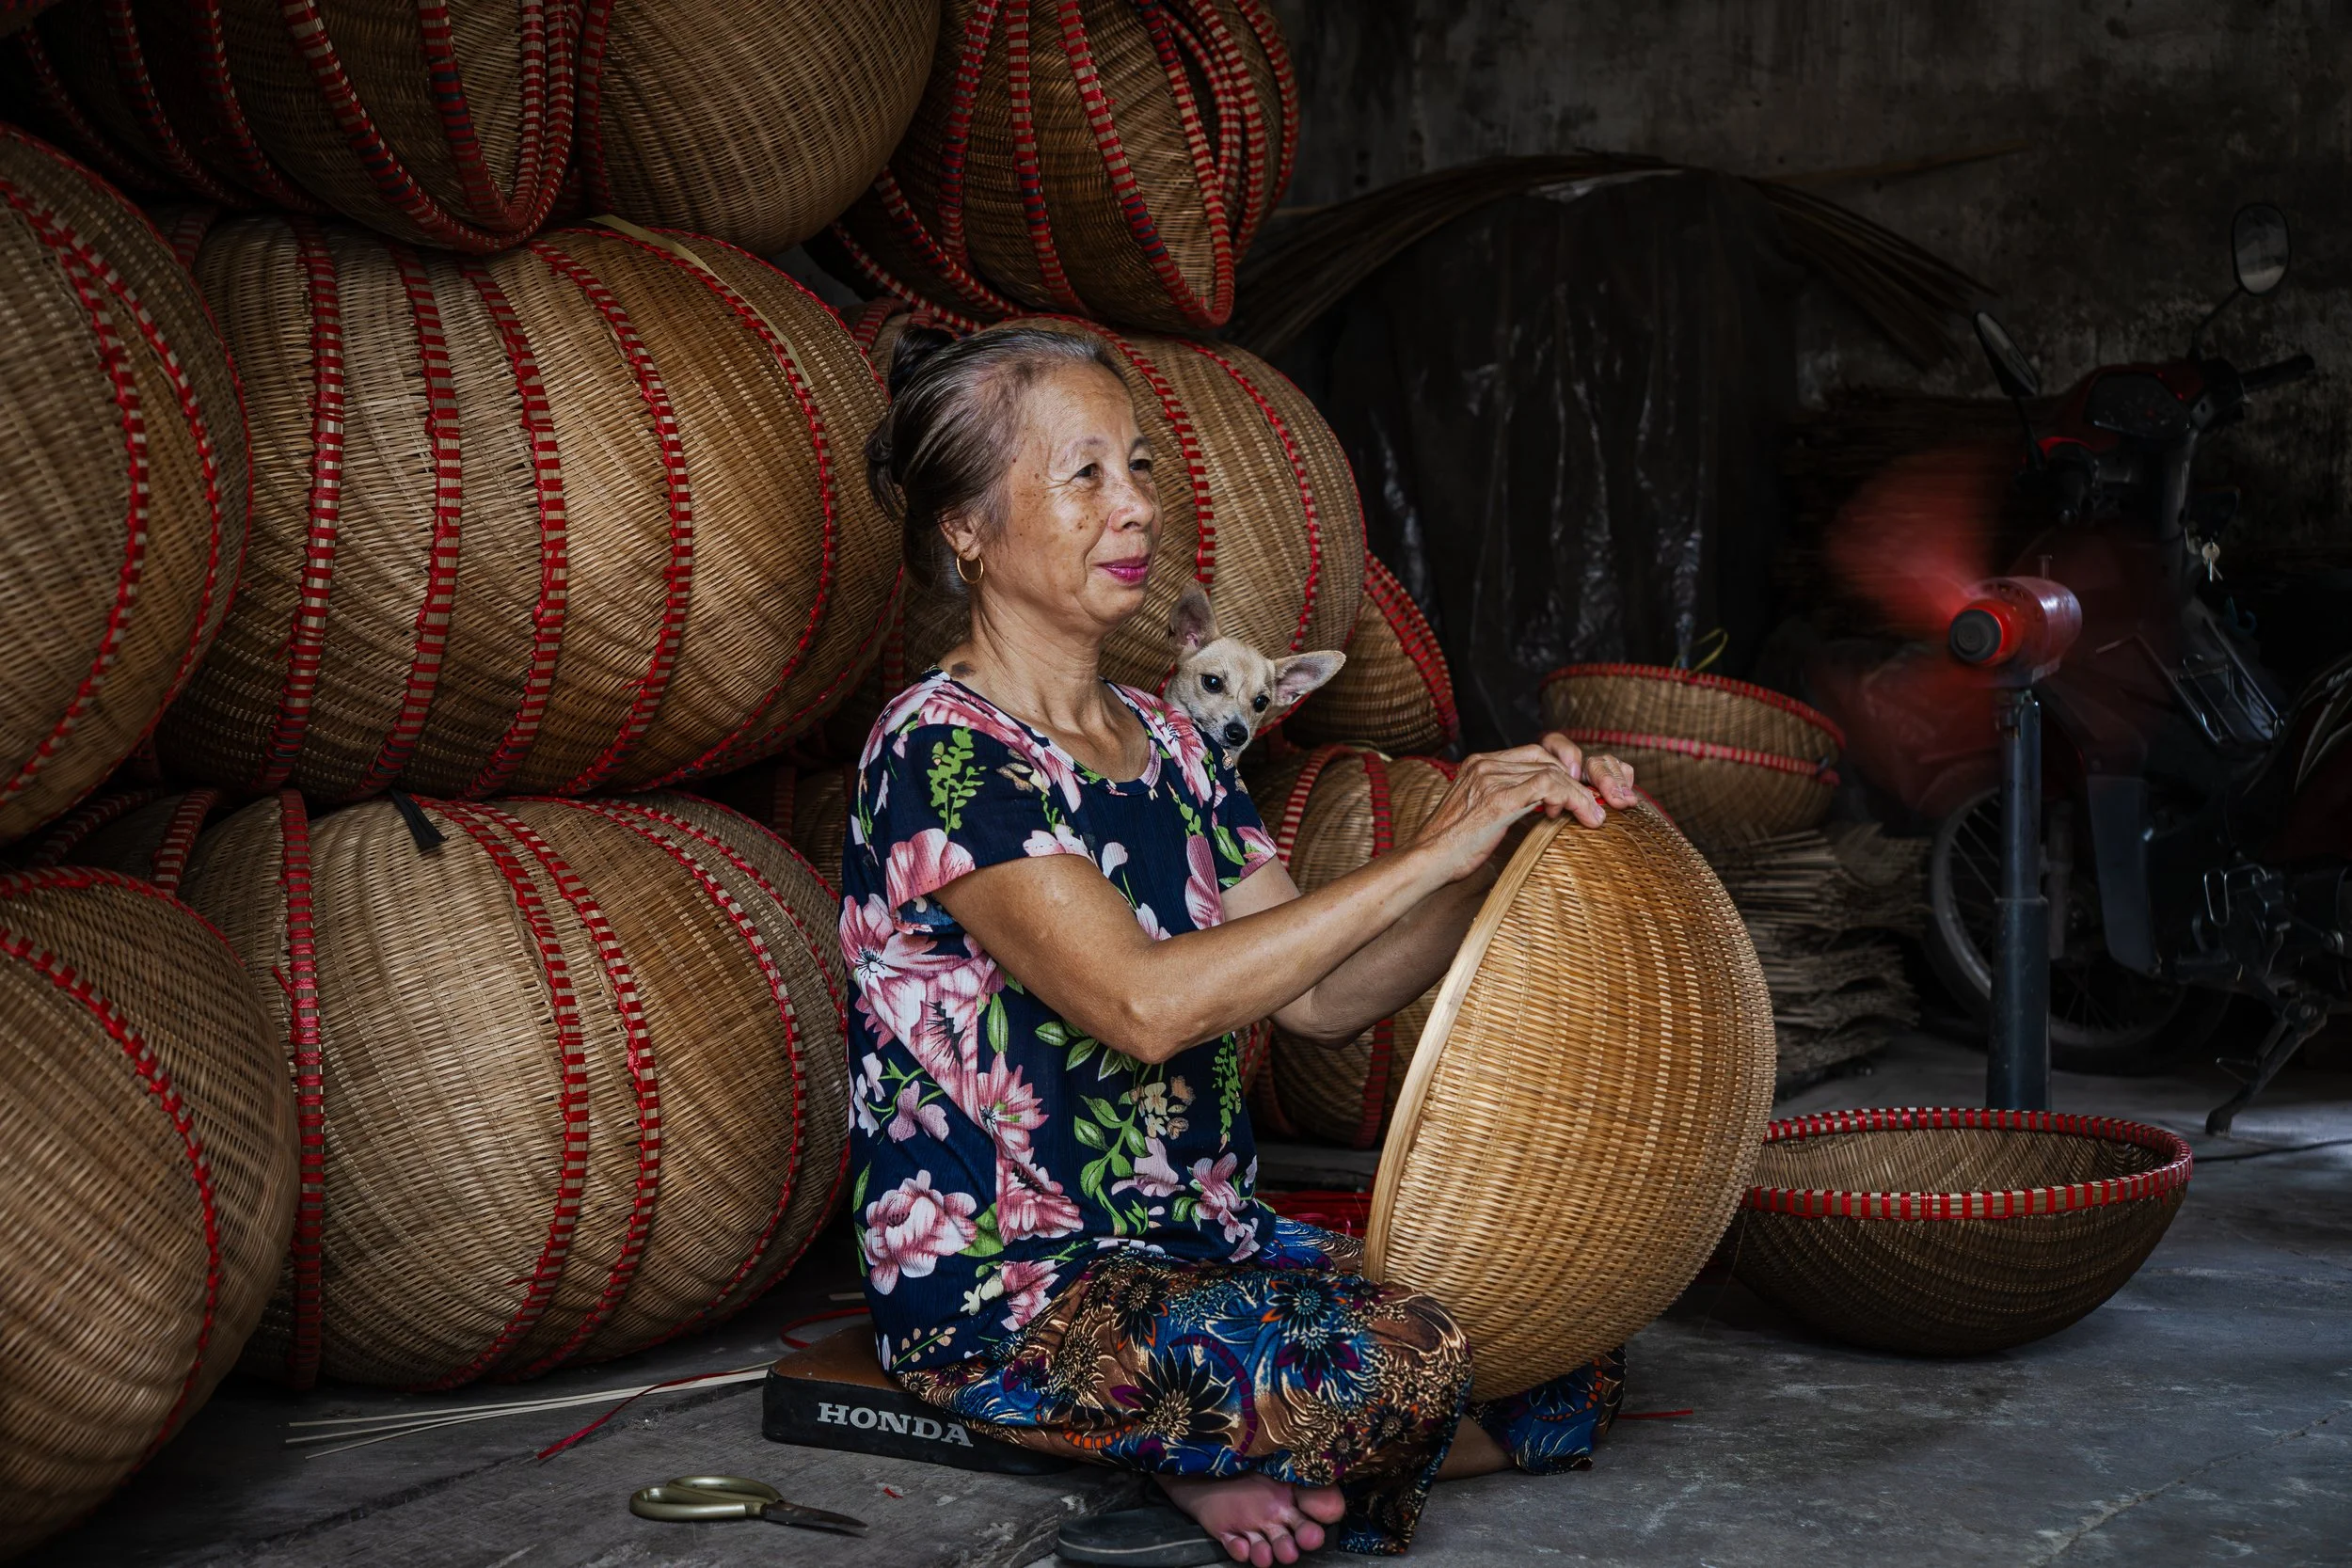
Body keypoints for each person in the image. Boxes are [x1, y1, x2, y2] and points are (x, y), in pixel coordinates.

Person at [842, 324, 1642, 1565]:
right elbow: (1145, 1006)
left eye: (1143, 466)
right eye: (1085, 473)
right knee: (1401, 1363)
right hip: (1025, 1299)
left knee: (1563, 1335)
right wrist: (1431, 846)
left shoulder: (1169, 742)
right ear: (966, 526)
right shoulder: (945, 752)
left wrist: (1492, 853)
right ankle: (1197, 1448)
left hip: (1205, 1254)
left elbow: (1321, 998)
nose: (1136, 508)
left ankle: (1218, 1447)